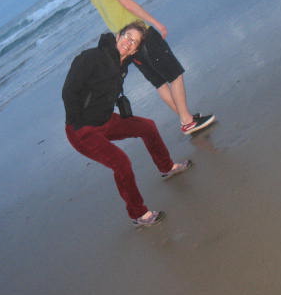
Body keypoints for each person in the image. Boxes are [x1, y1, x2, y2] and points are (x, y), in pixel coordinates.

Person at [62, 21, 192, 227]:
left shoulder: (122, 63)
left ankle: (167, 167)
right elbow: (69, 91)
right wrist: (78, 121)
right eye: (127, 36)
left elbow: (149, 61)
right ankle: (138, 214)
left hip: (106, 120)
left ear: (135, 50)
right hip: (81, 130)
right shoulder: (91, 57)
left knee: (147, 127)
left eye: (134, 42)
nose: (128, 42)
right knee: (121, 163)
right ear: (118, 36)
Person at [80, 0, 215, 135]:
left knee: (159, 82)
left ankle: (186, 119)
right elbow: (127, 4)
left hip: (126, 42)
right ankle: (187, 121)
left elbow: (109, 17)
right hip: (141, 34)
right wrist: (155, 22)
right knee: (174, 74)